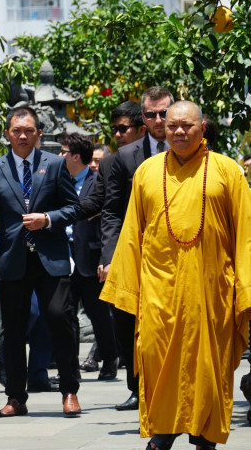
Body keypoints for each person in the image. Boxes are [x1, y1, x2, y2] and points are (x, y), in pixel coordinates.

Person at [101, 100, 251, 450]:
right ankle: (163, 431)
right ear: (161, 129)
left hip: (209, 289)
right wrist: (127, 288)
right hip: (158, 291)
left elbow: (245, 234)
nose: (179, 131)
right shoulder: (147, 172)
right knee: (157, 358)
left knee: (206, 364)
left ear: (202, 128)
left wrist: (243, 289)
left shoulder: (228, 171)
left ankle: (203, 434)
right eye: (172, 126)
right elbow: (132, 233)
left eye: (187, 125)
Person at [0, 106, 81, 418]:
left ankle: (70, 390)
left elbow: (74, 207)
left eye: (29, 131)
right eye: (16, 131)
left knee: (59, 318)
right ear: (7, 134)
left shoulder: (55, 164)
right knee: (13, 329)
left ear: (38, 133)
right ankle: (15, 397)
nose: (23, 135)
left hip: (51, 257)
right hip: (13, 260)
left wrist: (47, 218)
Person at [100, 87, 174, 411]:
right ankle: (137, 386)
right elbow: (112, 211)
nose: (159, 120)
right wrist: (110, 258)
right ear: (142, 118)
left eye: (164, 113)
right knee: (127, 321)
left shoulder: (193, 147)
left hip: (181, 252)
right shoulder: (126, 157)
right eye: (152, 114)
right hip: (138, 253)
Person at [79, 101, 145, 373]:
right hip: (123, 254)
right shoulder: (108, 164)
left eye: (123, 129)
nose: (117, 135)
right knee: (124, 320)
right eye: (114, 129)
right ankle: (135, 386)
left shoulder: (165, 156)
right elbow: (100, 206)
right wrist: (54, 215)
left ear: (140, 130)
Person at [59, 134, 117, 381]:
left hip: (91, 258)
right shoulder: (58, 180)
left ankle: (110, 359)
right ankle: (70, 368)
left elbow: (109, 222)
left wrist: (107, 258)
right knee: (65, 313)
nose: (59, 157)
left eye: (63, 152)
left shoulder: (98, 181)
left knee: (99, 315)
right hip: (63, 257)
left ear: (75, 156)